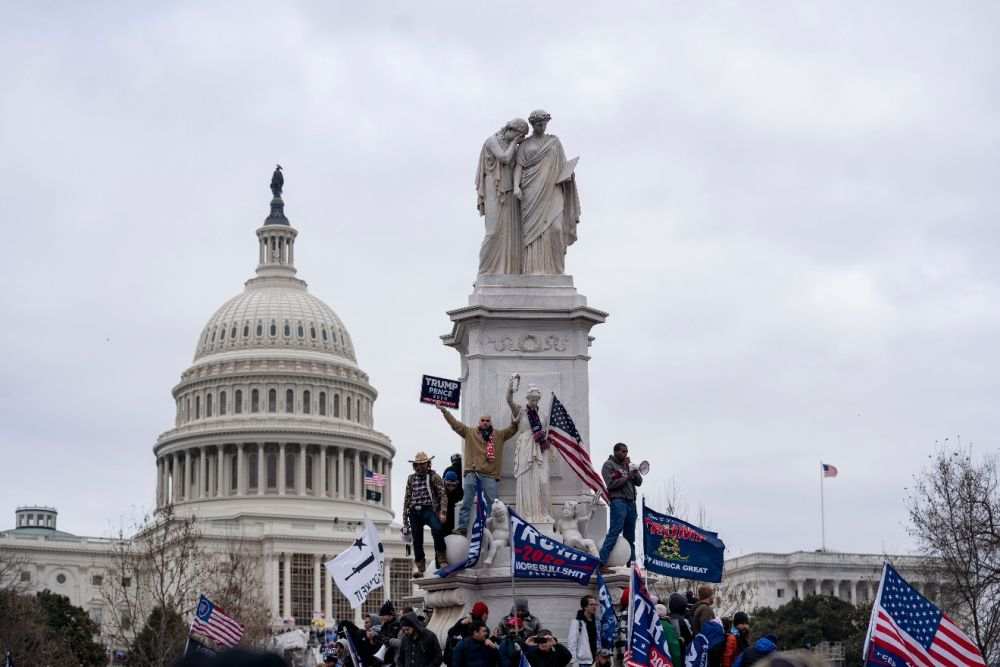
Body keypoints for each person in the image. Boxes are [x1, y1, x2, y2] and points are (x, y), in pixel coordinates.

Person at [512, 109, 581, 275]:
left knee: (556, 228)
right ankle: (533, 270)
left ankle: (556, 270)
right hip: (531, 190)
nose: (541, 127)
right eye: (538, 124)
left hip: (553, 188)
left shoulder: (554, 142)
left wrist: (568, 174)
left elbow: (563, 164)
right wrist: (516, 186)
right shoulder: (525, 145)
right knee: (532, 233)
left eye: (543, 124)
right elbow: (519, 167)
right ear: (532, 124)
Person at [438, 404, 518, 534]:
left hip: (490, 475)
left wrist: (516, 417)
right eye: (483, 420)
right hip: (472, 473)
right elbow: (455, 424)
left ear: (490, 422)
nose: (485, 423)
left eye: (487, 421)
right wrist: (444, 411)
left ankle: (490, 528)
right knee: (467, 502)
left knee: (493, 503)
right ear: (479, 422)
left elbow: (512, 429)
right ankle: (462, 528)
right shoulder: (470, 433)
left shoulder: (498, 435)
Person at [476, 118, 530, 275]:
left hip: (509, 191)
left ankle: (508, 271)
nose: (519, 139)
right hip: (493, 187)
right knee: (492, 231)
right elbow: (505, 158)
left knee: (509, 232)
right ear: (510, 130)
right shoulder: (492, 141)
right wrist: (515, 143)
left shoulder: (514, 145)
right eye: (518, 135)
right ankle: (484, 271)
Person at [507, 380, 554, 523]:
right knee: (526, 480)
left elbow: (546, 433)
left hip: (539, 449)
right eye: (532, 399)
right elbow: (509, 400)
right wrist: (511, 388)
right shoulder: (521, 411)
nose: (534, 401)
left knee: (541, 482)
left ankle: (540, 513)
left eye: (536, 399)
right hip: (525, 447)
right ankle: (526, 514)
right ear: (527, 399)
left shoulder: (543, 416)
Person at [402, 452, 449, 575]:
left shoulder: (434, 476)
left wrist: (443, 512)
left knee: (438, 529)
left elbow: (442, 495)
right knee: (417, 540)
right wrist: (405, 521)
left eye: (423, 464)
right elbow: (407, 498)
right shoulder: (411, 478)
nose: (420, 467)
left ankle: (442, 558)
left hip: (429, 509)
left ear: (428, 464)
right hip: (414, 511)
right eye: (418, 465)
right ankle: (420, 567)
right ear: (415, 466)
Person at [598, 443, 643, 571]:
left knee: (630, 536)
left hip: (631, 503)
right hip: (619, 501)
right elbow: (611, 484)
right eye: (623, 451)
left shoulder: (627, 466)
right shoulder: (608, 465)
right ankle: (602, 562)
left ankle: (633, 565)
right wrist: (627, 476)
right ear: (615, 451)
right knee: (615, 530)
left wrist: (633, 470)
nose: (625, 454)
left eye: (627, 451)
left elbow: (639, 482)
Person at [445, 601, 490, 666]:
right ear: (483, 614)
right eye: (486, 614)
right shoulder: (480, 626)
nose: (487, 617)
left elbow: (450, 632)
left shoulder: (465, 621)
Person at [567, 595, 598, 667]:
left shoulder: (597, 622)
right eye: (591, 604)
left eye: (595, 604)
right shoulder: (577, 622)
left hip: (596, 661)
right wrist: (574, 662)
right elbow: (572, 643)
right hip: (583, 662)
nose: (594, 607)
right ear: (585, 607)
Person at [442, 469, 465, 535]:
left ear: (457, 483)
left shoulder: (460, 491)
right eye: (448, 485)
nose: (451, 488)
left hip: (454, 516)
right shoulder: (440, 490)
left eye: (453, 485)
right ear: (444, 482)